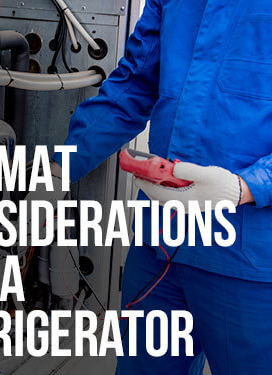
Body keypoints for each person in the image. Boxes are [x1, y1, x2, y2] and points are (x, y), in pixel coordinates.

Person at [53, 1, 272, 374]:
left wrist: (247, 187)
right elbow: (134, 86)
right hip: (160, 246)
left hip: (248, 259)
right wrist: (57, 171)